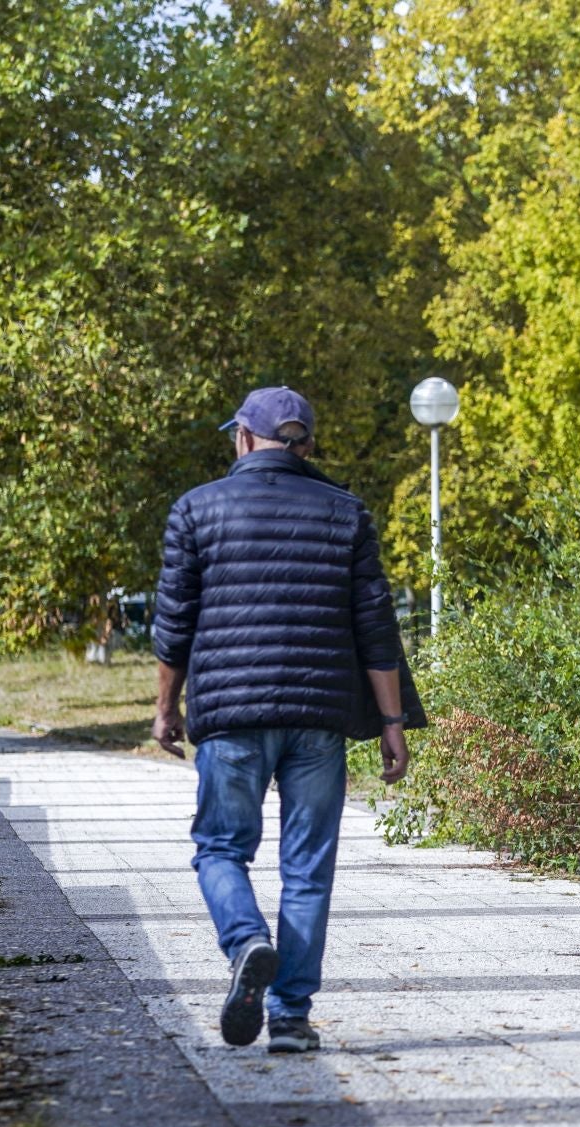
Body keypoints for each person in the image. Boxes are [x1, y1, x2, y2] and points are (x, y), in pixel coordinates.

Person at [150, 386, 411, 1054]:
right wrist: (391, 723)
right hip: (319, 717)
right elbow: (375, 627)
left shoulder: (196, 509)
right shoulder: (346, 512)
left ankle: (246, 942)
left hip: (231, 714)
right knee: (308, 867)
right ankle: (291, 1018)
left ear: (242, 437)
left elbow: (173, 625)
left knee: (219, 848)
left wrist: (164, 710)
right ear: (308, 444)